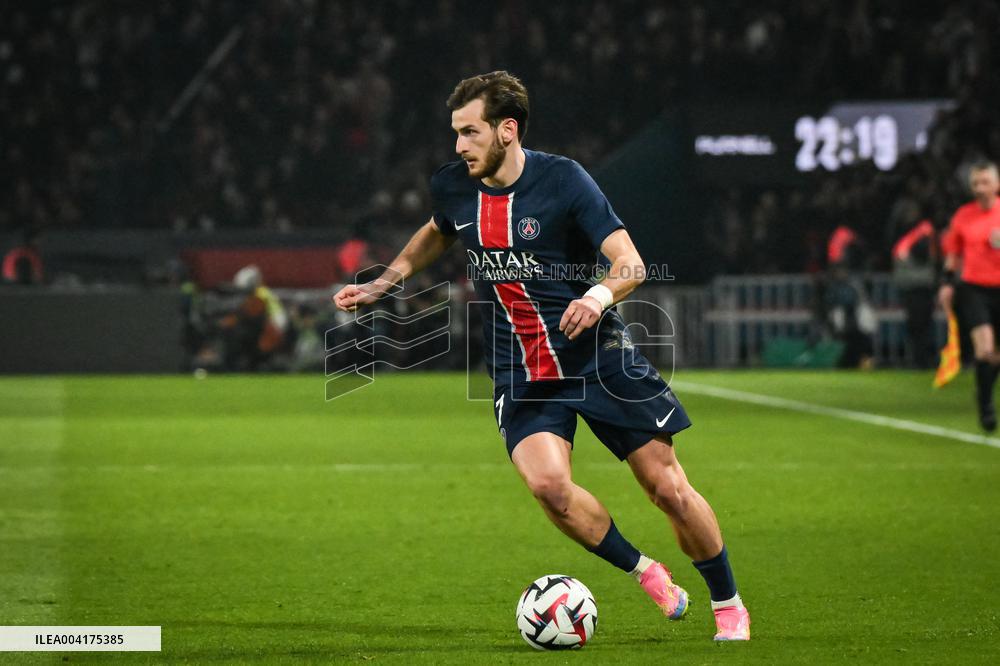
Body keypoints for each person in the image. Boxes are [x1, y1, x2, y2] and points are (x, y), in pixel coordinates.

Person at [333, 71, 750, 641]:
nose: (459, 146)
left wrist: (597, 295)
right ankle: (644, 569)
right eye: (456, 133)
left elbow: (630, 263)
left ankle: (728, 603)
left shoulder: (565, 181)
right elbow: (438, 231)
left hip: (597, 358)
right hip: (519, 369)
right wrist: (386, 281)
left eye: (470, 132)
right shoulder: (455, 185)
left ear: (507, 130)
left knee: (668, 489)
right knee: (550, 489)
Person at [938, 160, 1000, 431]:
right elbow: (952, 254)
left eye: (985, 182)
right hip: (974, 289)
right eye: (975, 183)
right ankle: (985, 405)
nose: (980, 188)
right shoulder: (963, 216)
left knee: (996, 354)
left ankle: (983, 390)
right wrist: (947, 284)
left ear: (996, 185)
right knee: (985, 349)